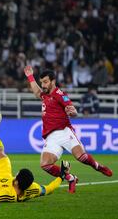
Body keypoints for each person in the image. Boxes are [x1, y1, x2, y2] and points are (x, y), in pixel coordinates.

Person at [24, 66, 112, 194]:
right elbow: (37, 92)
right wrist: (30, 76)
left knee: (81, 157)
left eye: (45, 82)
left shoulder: (60, 95)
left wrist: (74, 112)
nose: (43, 85)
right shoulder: (44, 95)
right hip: (51, 137)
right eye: (42, 82)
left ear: (53, 81)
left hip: (64, 132)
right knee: (45, 164)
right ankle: (71, 178)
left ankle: (99, 167)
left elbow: (72, 109)